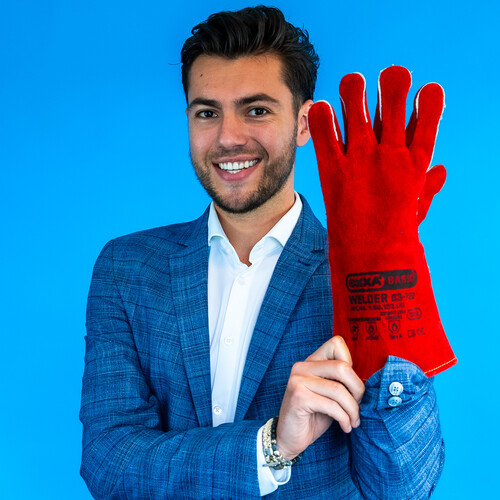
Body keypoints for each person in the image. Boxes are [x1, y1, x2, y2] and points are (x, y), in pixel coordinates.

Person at [80, 6, 444, 499]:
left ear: (303, 123)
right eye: (207, 112)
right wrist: (270, 446)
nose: (228, 137)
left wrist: (378, 293)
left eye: (256, 110)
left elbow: (400, 488)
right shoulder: (127, 268)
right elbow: (109, 462)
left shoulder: (355, 277)